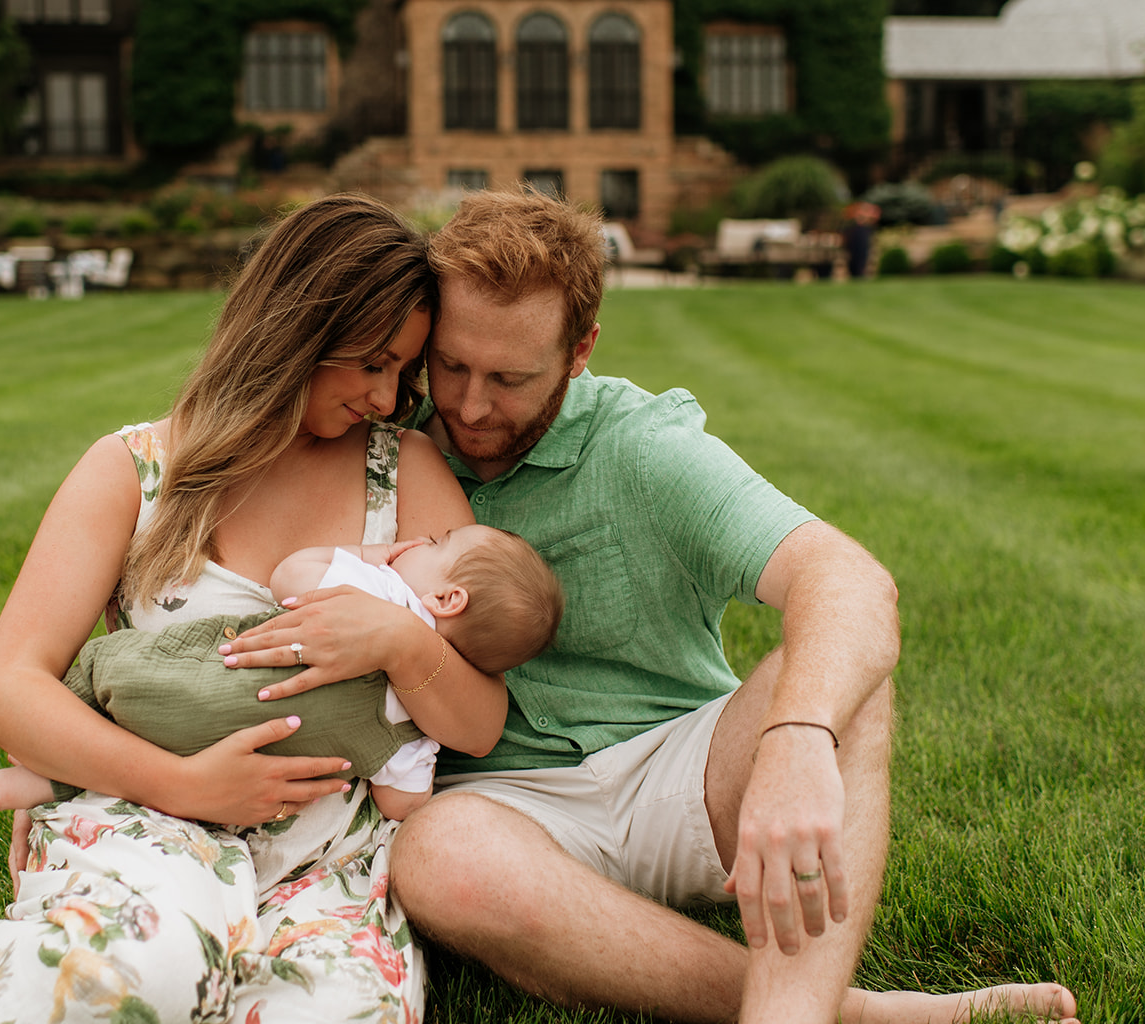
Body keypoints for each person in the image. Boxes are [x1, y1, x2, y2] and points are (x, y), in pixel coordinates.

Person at [222, 190, 1081, 1024]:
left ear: (581, 349)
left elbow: (848, 580)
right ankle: (857, 1011)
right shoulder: (387, 446)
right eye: (451, 364)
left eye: (512, 378)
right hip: (508, 809)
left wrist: (795, 737)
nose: (471, 406)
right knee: (437, 857)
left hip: (686, 775)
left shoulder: (644, 447)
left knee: (841, 685)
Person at [0, 193, 505, 1024]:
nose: (386, 393)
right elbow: (7, 692)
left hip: (327, 851)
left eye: (402, 370)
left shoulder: (402, 473)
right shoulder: (136, 471)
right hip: (147, 815)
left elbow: (480, 713)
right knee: (146, 974)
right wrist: (186, 784)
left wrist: (404, 639)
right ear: (297, 327)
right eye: (371, 362)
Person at [0, 524, 563, 822]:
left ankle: (39, 763)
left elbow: (292, 575)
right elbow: (403, 801)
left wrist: (373, 562)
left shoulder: (380, 590)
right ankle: (15, 788)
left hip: (182, 684)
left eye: (439, 542)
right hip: (240, 762)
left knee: (113, 674)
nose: (420, 542)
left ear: (448, 599)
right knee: (150, 737)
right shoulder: (421, 728)